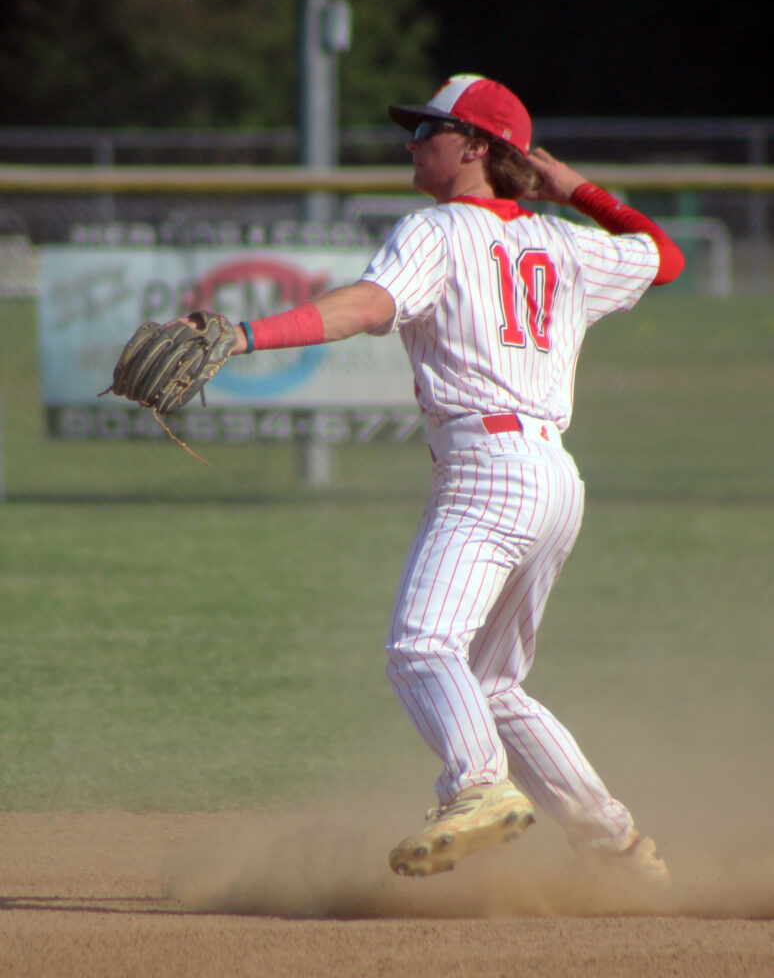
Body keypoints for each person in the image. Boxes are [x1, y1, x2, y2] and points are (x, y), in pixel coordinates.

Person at [192, 75, 685, 884]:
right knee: (490, 681)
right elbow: (664, 259)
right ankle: (615, 844)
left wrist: (247, 334)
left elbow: (365, 306)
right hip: (555, 478)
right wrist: (575, 188)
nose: (413, 142)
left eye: (431, 130)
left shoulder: (440, 229)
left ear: (478, 148)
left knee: (421, 647)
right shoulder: (564, 242)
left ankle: (478, 786)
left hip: (488, 469)